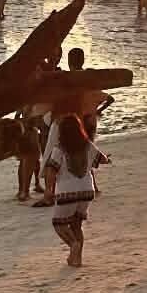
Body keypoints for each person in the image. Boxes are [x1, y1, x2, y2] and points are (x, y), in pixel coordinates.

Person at [42, 112, 107, 268]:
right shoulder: (88, 145)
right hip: (87, 190)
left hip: (67, 191)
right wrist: (107, 159)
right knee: (76, 225)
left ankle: (73, 245)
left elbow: (51, 170)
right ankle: (76, 259)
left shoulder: (59, 149)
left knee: (59, 224)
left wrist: (48, 190)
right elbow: (103, 159)